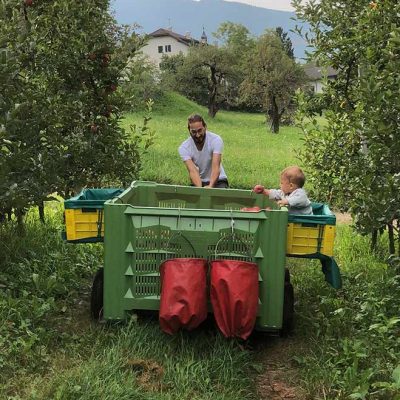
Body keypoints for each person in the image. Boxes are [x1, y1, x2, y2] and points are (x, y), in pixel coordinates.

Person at [178, 114, 229, 188]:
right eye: (194, 132)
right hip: (200, 180)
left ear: (205, 127)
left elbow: (216, 167)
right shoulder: (184, 147)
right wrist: (200, 190)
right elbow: (192, 171)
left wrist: (210, 186)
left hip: (219, 180)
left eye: (200, 130)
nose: (197, 135)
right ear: (189, 130)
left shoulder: (216, 140)